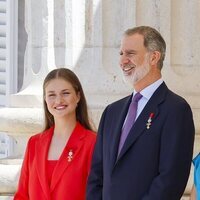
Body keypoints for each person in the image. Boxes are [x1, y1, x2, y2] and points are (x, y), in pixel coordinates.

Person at [87, 26, 195, 200]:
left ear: (154, 57)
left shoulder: (176, 110)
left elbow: (171, 179)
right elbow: (96, 175)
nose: (123, 61)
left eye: (130, 53)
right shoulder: (111, 112)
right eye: (121, 53)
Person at [14, 68, 96, 200]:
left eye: (65, 93)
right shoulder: (34, 143)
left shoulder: (92, 143)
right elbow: (22, 195)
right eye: (52, 95)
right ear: (45, 100)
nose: (58, 101)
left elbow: (97, 194)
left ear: (78, 96)